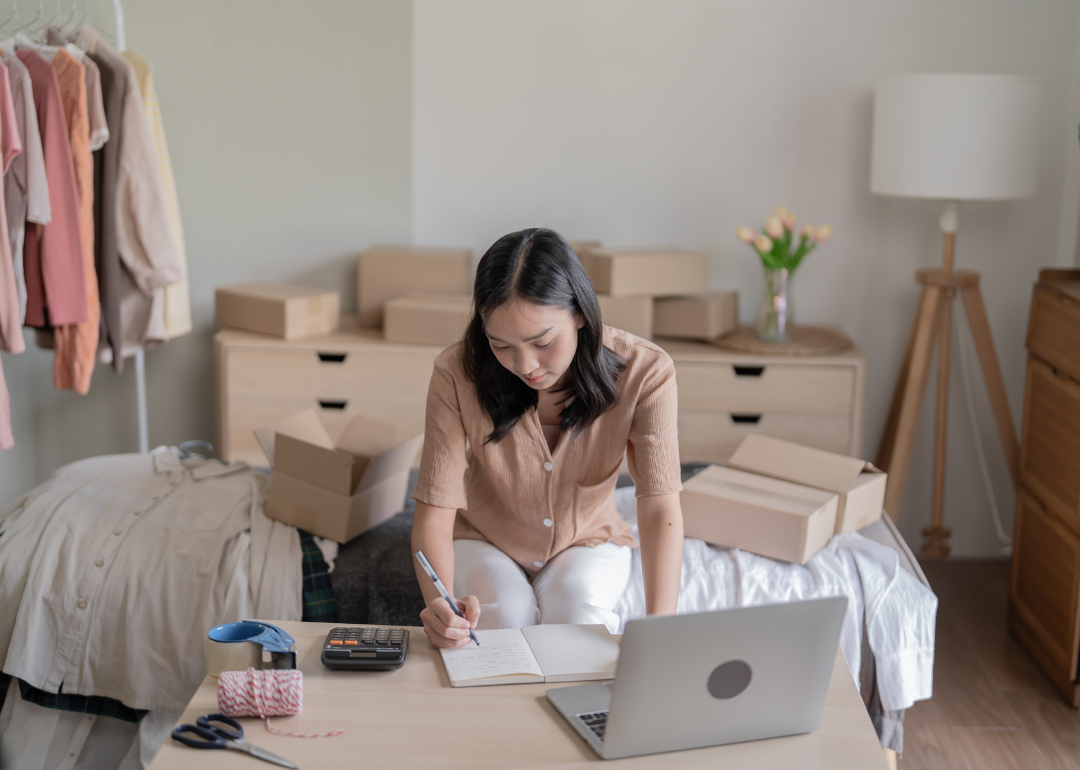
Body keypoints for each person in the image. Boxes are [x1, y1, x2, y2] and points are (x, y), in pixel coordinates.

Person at [411, 228, 684, 649]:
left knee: (579, 623)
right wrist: (440, 605)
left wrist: (663, 626)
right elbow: (435, 510)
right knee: (503, 619)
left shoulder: (647, 373)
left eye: (543, 342)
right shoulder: (456, 372)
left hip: (589, 536)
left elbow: (660, 505)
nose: (526, 365)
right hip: (485, 535)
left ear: (579, 312)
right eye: (501, 345)